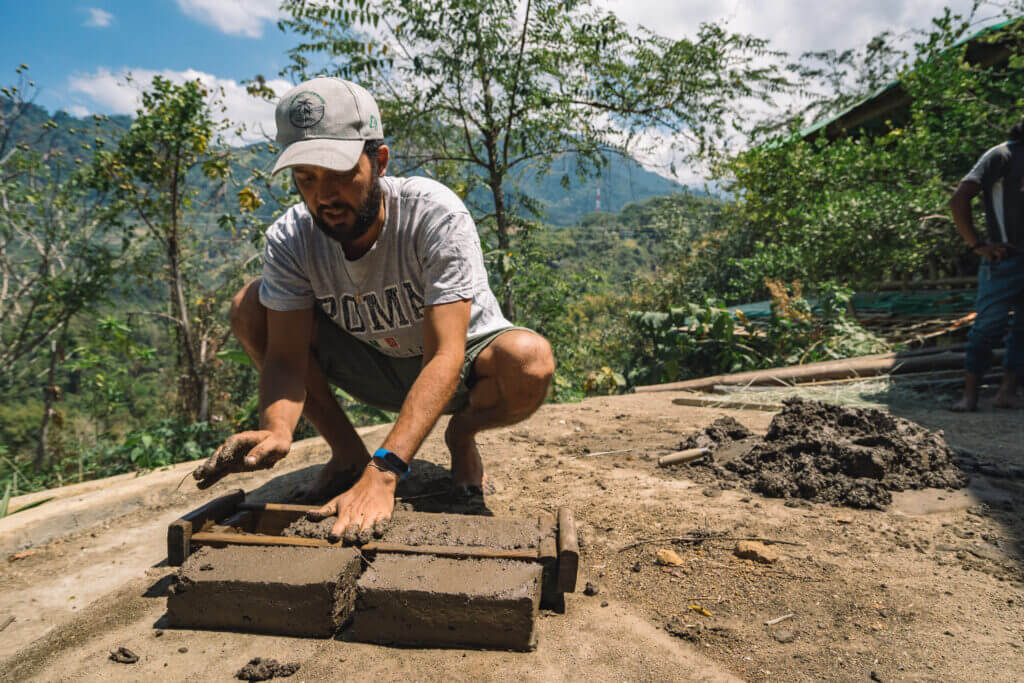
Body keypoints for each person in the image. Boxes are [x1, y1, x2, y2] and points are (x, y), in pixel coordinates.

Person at [197, 77, 555, 541]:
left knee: (530, 359)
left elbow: (444, 357)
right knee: (251, 305)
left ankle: (461, 435)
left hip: (458, 367)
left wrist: (385, 472)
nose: (323, 196)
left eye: (341, 174)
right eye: (306, 178)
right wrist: (277, 428)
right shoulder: (290, 239)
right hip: (368, 362)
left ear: (379, 161)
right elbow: (285, 358)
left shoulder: (433, 215)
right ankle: (346, 453)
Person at [949, 120, 1024, 411]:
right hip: (1004, 259)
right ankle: (970, 395)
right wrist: (977, 245)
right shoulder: (1002, 154)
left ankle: (1007, 392)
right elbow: (959, 199)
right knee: (988, 326)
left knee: (1023, 329)